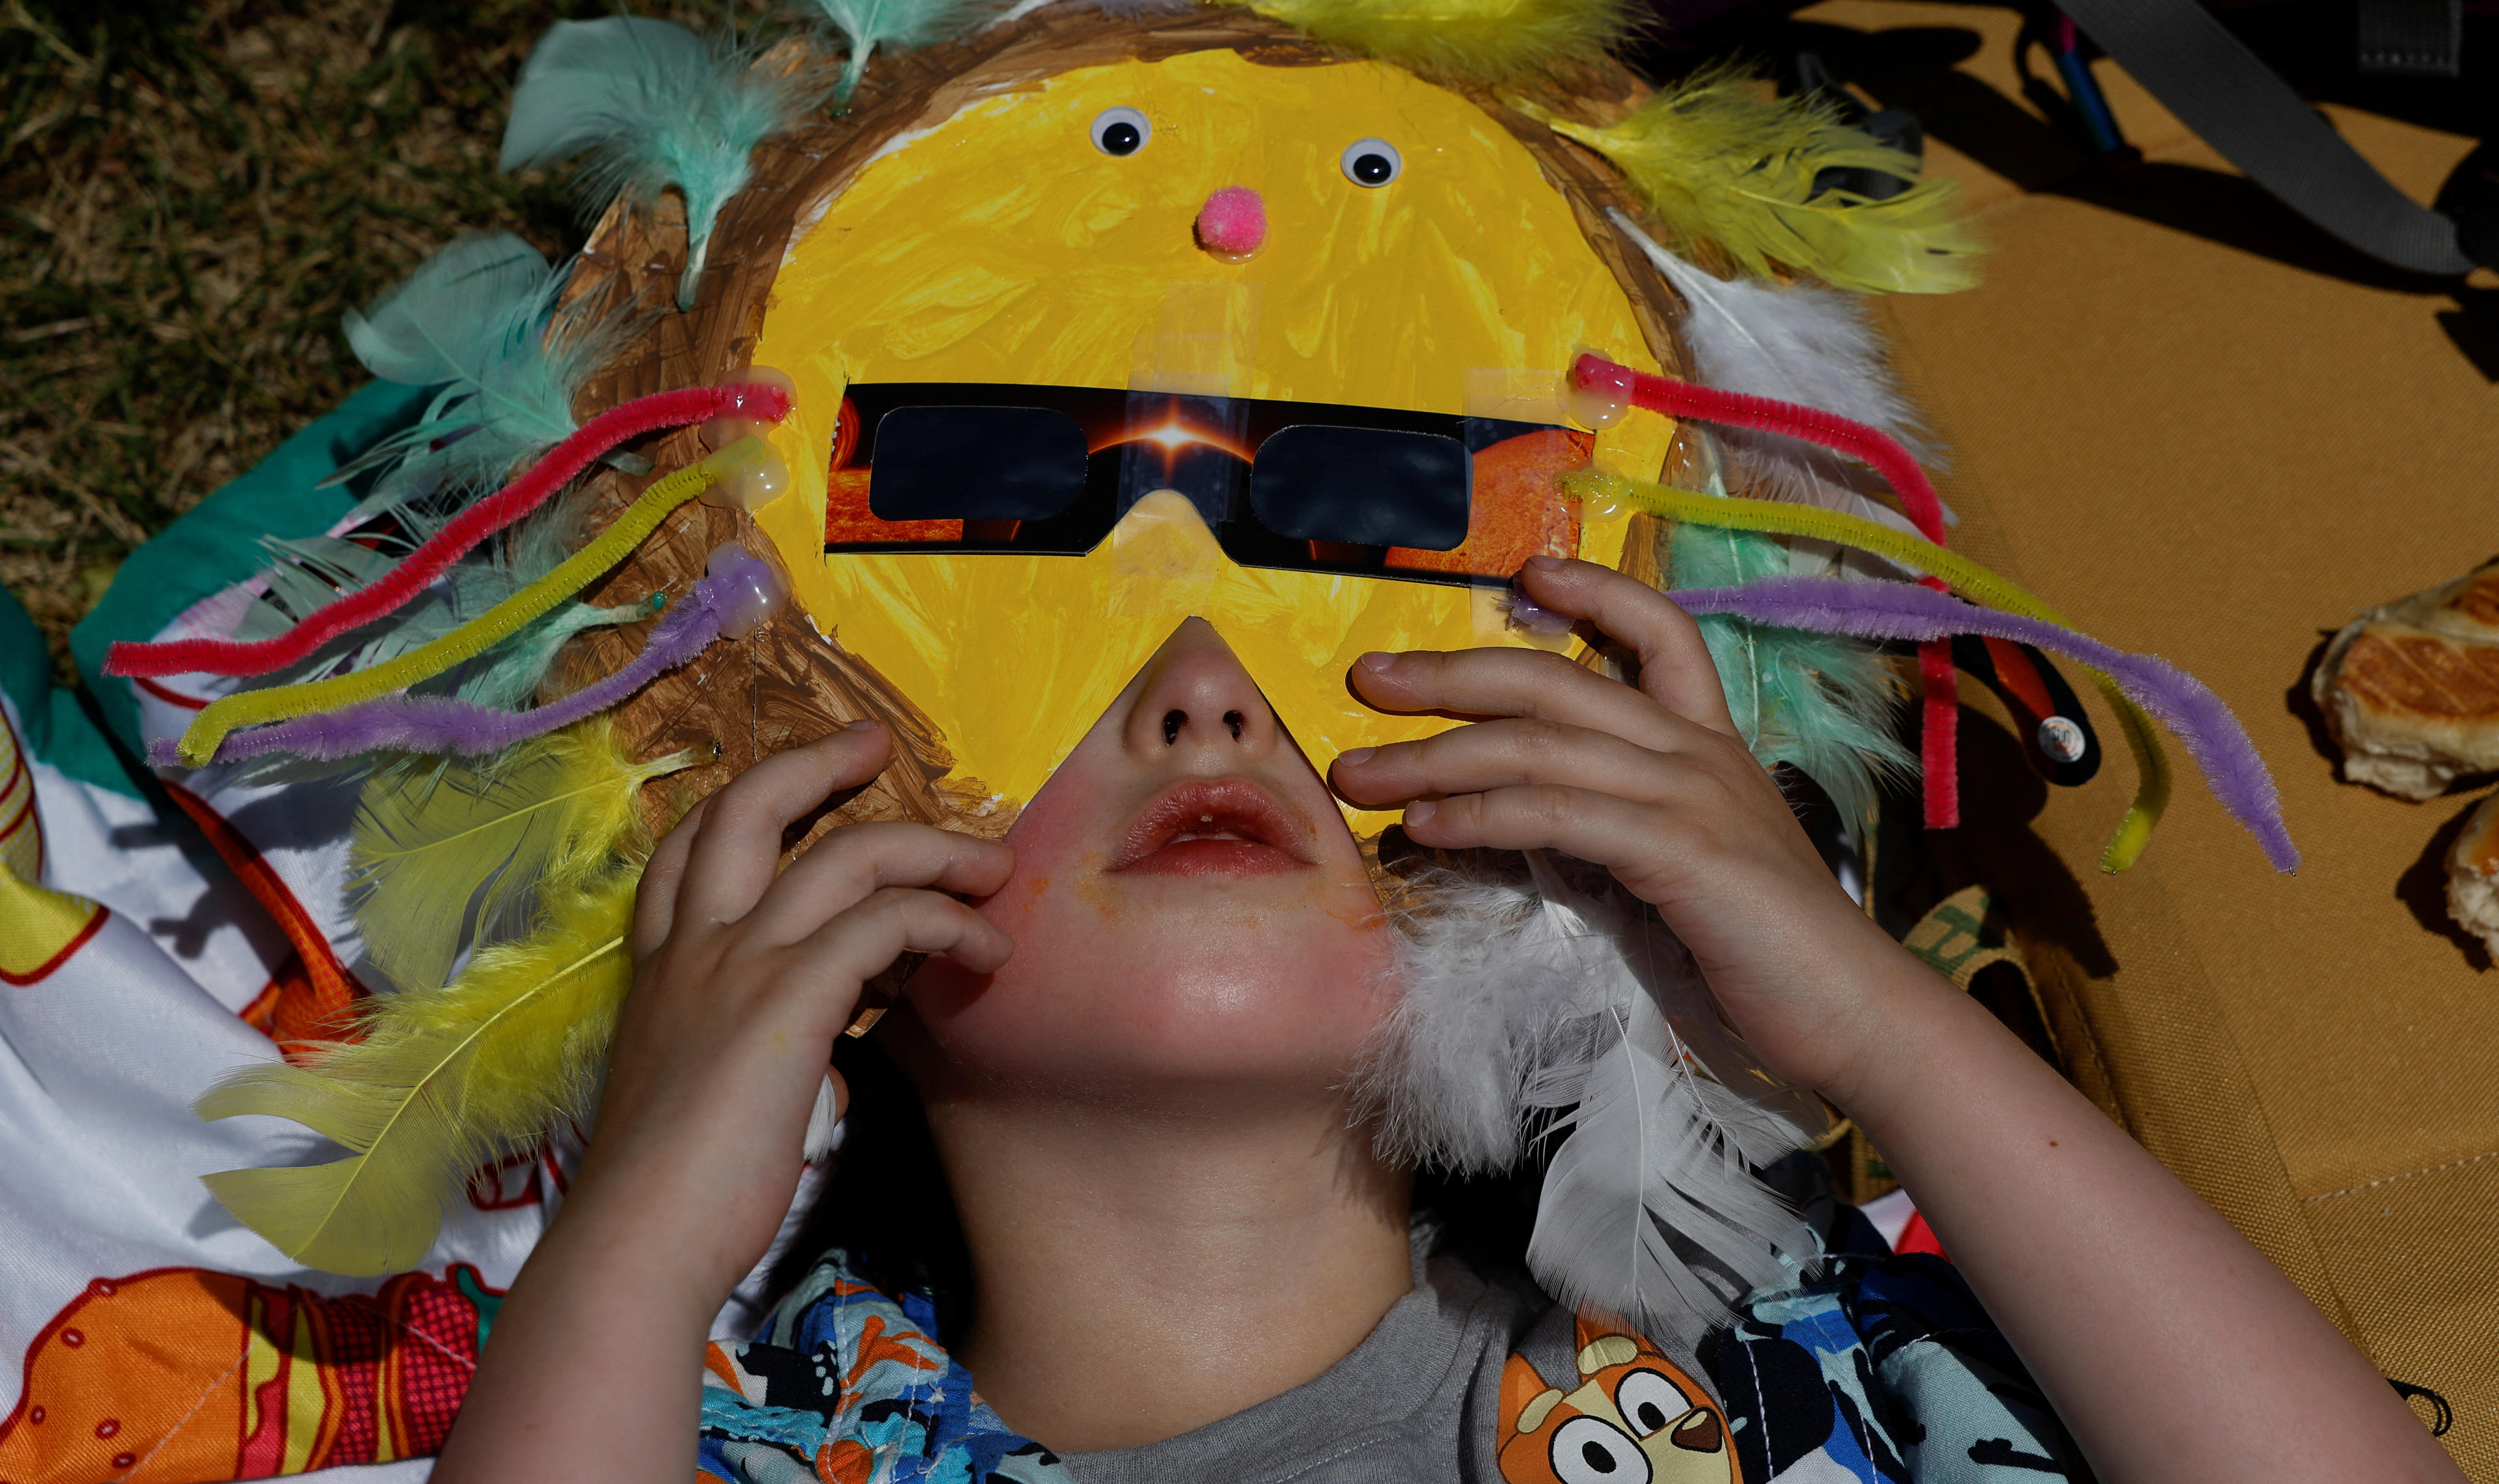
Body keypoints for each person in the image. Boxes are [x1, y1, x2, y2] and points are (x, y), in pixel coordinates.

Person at [429, 556, 2463, 1484]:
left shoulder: (1777, 1334)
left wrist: (1867, 1028)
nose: (1210, 691)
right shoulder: (750, 1443)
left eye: (1307, 666)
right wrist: (644, 1216)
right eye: (1059, 671)